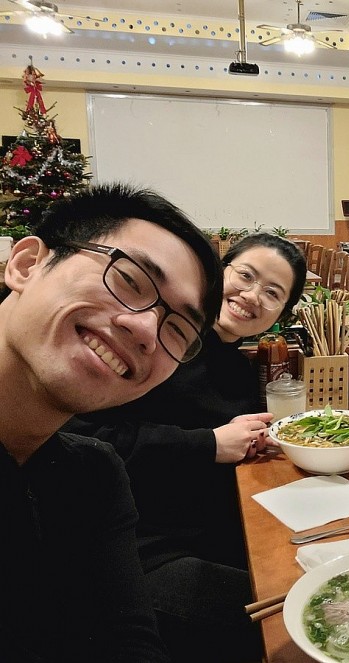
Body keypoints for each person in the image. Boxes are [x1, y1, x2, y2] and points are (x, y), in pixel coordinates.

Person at [0, 182, 223, 662]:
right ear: (25, 265)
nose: (145, 329)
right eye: (129, 280)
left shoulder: (90, 476)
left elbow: (131, 641)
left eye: (178, 330)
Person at [63, 232, 307, 662]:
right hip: (137, 550)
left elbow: (218, 439)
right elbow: (85, 438)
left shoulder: (234, 364)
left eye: (272, 293)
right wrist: (209, 444)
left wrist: (248, 440)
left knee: (313, 571)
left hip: (210, 532)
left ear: (281, 314)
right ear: (219, 272)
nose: (251, 295)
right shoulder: (157, 341)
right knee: (299, 618)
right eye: (245, 276)